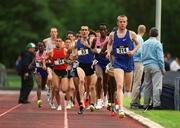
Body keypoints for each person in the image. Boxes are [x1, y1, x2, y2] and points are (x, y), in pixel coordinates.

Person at [106, 15, 140, 118]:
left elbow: (138, 45)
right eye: (120, 22)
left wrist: (133, 51)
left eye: (124, 22)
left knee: (128, 88)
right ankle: (121, 109)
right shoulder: (113, 35)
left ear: (126, 23)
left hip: (128, 62)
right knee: (119, 86)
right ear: (117, 23)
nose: (122, 24)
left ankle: (121, 103)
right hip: (118, 62)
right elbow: (109, 44)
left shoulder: (131, 34)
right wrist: (108, 52)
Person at [73, 26, 97, 114]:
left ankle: (92, 103)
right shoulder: (77, 42)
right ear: (80, 32)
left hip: (91, 65)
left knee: (92, 86)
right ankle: (82, 103)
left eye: (86, 30)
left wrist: (88, 46)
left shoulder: (91, 40)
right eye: (82, 30)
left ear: (88, 32)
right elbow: (73, 51)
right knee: (82, 81)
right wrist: (73, 56)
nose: (84, 31)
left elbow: (95, 51)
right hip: (81, 65)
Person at [142, 27, 165, 110]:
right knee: (156, 86)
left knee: (147, 86)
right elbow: (160, 58)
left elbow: (142, 55)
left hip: (146, 65)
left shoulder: (144, 43)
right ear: (157, 34)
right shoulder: (158, 44)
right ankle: (156, 104)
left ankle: (146, 104)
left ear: (149, 34)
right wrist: (162, 68)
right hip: (156, 66)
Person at [131, 25, 146, 109]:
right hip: (138, 61)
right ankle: (134, 102)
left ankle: (137, 100)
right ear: (144, 31)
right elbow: (139, 51)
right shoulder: (140, 39)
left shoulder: (134, 37)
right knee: (137, 82)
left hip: (132, 61)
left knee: (136, 81)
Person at [94, 23, 109, 109]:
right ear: (99, 31)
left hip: (107, 62)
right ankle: (99, 100)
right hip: (98, 62)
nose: (103, 31)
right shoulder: (96, 40)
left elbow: (112, 49)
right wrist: (96, 50)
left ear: (106, 31)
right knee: (99, 78)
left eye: (104, 30)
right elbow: (91, 49)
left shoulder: (109, 39)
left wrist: (108, 51)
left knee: (106, 82)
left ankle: (105, 98)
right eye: (101, 30)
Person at [29, 42, 48, 108]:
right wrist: (32, 65)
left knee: (43, 86)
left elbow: (50, 61)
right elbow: (33, 63)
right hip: (38, 71)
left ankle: (44, 86)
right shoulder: (36, 53)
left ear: (44, 47)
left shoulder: (47, 53)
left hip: (45, 71)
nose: (40, 47)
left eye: (41, 46)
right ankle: (39, 100)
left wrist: (45, 64)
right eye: (39, 46)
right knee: (39, 85)